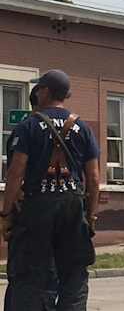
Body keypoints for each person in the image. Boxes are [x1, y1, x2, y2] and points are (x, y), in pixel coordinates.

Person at [0, 70, 101, 311]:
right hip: (73, 205)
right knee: (74, 274)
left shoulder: (28, 127)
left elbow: (15, 172)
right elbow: (94, 178)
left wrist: (5, 213)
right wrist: (91, 216)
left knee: (30, 273)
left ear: (44, 92)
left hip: (38, 205)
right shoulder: (83, 128)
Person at [4, 85, 60, 311]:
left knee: (22, 275)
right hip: (44, 213)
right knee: (43, 275)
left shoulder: (25, 130)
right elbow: (16, 173)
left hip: (30, 213)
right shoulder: (30, 130)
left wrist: (6, 213)